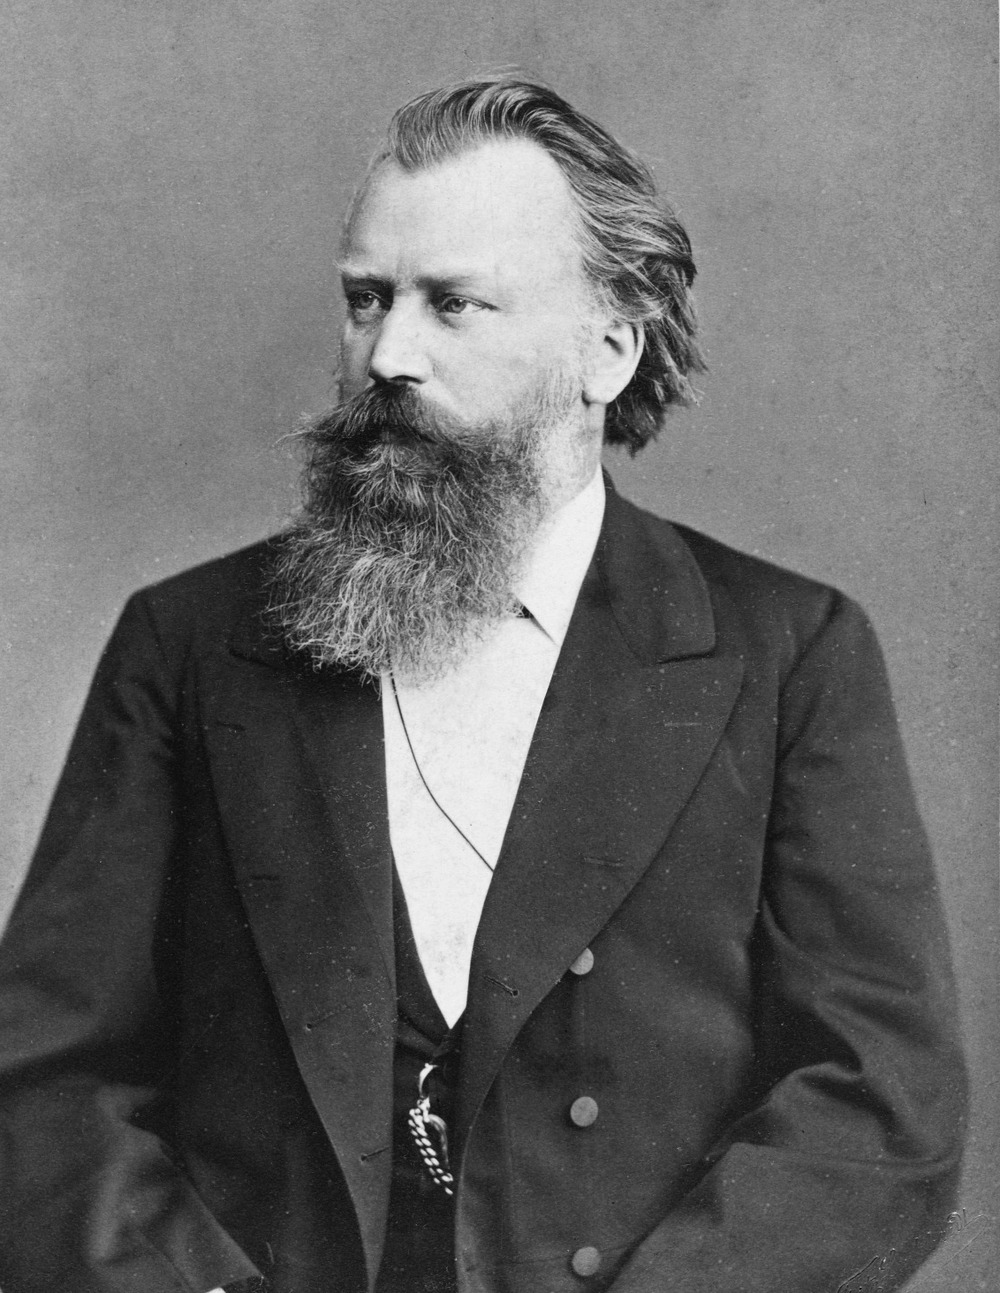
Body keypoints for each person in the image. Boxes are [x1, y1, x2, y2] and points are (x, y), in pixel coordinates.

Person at [0, 77, 966, 1293]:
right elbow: (43, 1081)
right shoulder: (191, 644)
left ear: (606, 351)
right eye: (366, 300)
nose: (386, 355)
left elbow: (880, 1105)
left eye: (452, 304)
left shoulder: (787, 652)